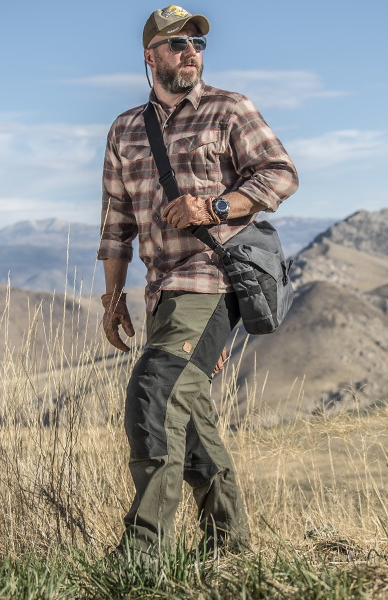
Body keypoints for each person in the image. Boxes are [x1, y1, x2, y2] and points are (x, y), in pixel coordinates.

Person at [97, 5, 298, 557]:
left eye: (198, 44)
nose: (192, 52)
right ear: (150, 55)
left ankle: (143, 556)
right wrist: (113, 299)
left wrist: (213, 206)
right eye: (178, 43)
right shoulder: (124, 129)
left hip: (214, 279)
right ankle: (230, 551)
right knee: (188, 418)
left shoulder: (229, 109)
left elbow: (281, 173)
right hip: (161, 291)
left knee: (154, 391)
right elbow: (115, 223)